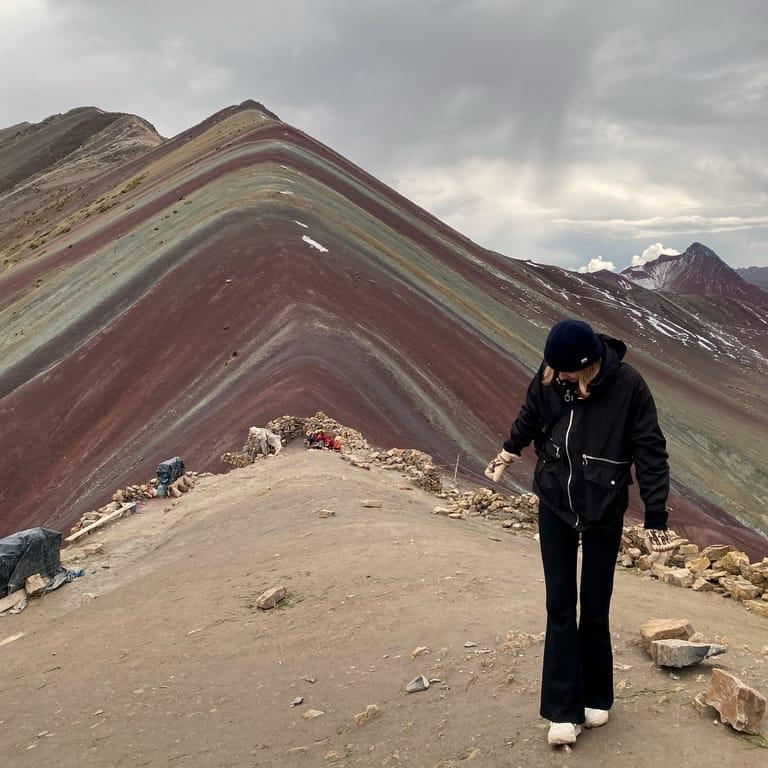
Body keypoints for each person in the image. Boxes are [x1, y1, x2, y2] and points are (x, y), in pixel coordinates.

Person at [484, 319, 676, 747]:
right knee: (559, 604)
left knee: (594, 605)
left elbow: (649, 451)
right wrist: (508, 450)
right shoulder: (552, 371)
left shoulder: (629, 387)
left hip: (604, 507)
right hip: (555, 500)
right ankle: (562, 711)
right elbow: (532, 413)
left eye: (566, 371)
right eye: (552, 369)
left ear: (587, 365)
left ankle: (596, 697)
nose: (556, 377)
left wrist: (657, 518)